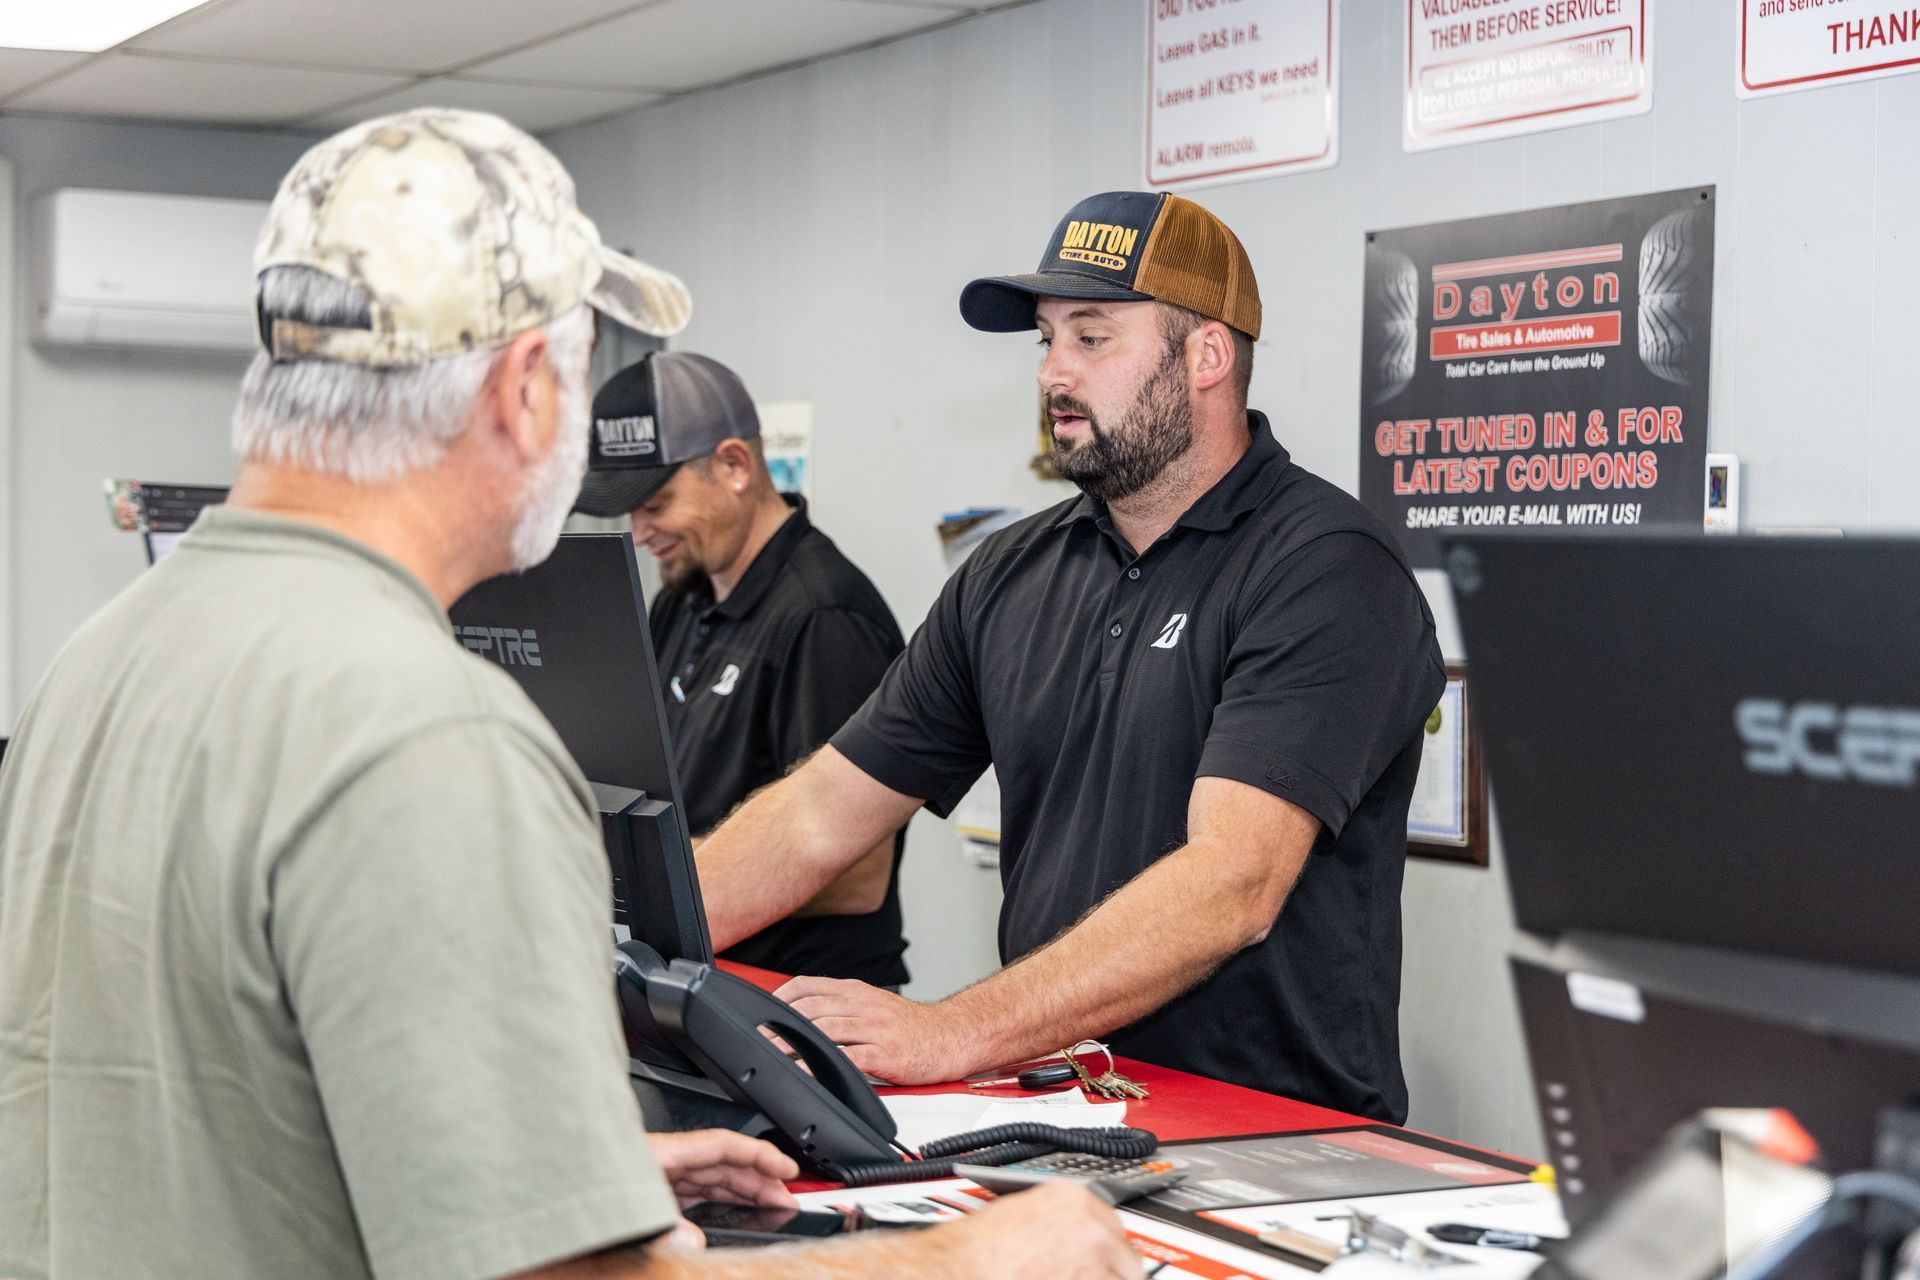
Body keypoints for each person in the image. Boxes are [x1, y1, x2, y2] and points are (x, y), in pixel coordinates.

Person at [0, 109, 1137, 1280]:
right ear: (527, 385)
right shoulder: (426, 734)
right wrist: (964, 1263)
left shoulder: (96, 663)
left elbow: (195, 1114)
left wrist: (558, 1177)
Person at [696, 191, 1447, 1123]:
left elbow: (1233, 883)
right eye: (1046, 340)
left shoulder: (1325, 568)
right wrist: (622, 939)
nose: (1054, 371)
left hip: (1268, 1128)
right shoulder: (1011, 572)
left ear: (1207, 355)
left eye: (1092, 338)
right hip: (1060, 1104)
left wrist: (948, 1032)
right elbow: (821, 812)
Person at [572, 354, 909, 988]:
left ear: (733, 465)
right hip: (692, 985)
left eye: (655, 503)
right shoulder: (682, 596)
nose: (639, 533)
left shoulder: (824, 615)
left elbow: (858, 876)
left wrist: (653, 877)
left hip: (798, 1008)